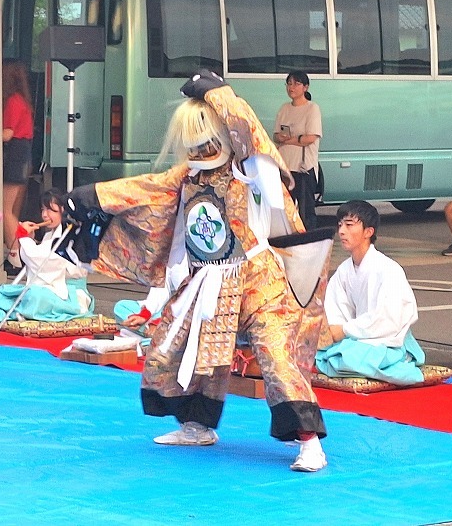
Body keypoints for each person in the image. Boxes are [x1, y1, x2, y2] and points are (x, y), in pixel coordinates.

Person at [65, 69, 333, 472]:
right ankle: (196, 424)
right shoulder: (186, 176)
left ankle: (310, 441)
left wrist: (220, 93)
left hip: (260, 278)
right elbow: (145, 188)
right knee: (175, 347)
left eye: (209, 142)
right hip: (206, 277)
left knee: (276, 355)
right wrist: (91, 197)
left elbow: (248, 130)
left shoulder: (248, 168)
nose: (204, 151)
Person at [315, 200, 425, 385]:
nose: (341, 231)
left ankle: (402, 360)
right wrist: (335, 330)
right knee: (322, 353)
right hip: (358, 339)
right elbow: (335, 310)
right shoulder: (344, 271)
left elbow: (388, 319)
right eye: (340, 224)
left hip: (388, 341)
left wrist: (344, 330)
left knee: (346, 358)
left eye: (349, 225)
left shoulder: (388, 269)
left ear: (368, 231)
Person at [0, 189, 93, 325]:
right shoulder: (49, 235)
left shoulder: (71, 235)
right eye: (43, 210)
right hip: (52, 289)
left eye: (50, 210)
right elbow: (36, 261)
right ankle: (24, 310)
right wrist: (29, 239)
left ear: (63, 210)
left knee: (35, 295)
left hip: (72, 295)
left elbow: (44, 262)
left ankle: (24, 311)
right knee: (3, 291)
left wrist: (24, 239)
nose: (45, 215)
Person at [273, 71, 322, 231]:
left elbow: (311, 137)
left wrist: (290, 140)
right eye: (289, 83)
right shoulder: (284, 108)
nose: (291, 87)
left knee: (306, 210)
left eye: (296, 83)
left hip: (303, 168)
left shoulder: (312, 108)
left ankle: (310, 242)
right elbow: (275, 135)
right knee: (284, 208)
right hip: (286, 167)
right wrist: (281, 137)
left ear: (305, 87)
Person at [2, 60, 34, 273]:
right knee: (12, 210)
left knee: (6, 210)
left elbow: (8, 133)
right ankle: (22, 252)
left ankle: (15, 257)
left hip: (15, 153)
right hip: (23, 153)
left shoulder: (13, 101)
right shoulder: (23, 100)